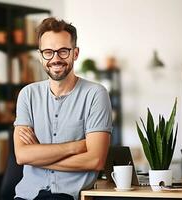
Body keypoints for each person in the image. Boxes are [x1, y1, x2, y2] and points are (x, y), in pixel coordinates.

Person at [13, 17, 112, 200]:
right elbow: (22, 155)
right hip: (26, 195)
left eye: (63, 51)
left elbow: (95, 160)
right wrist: (76, 147)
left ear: (75, 53)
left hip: (68, 196)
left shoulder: (96, 94)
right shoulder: (27, 95)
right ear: (40, 55)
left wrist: (39, 154)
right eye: (48, 52)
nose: (55, 59)